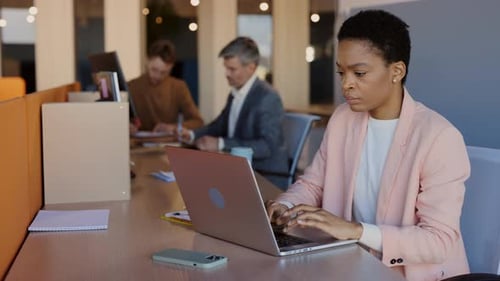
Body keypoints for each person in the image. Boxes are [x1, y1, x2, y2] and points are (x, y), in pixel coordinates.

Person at [266, 10, 470, 281]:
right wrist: (286, 205)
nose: (346, 84)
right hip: (348, 264)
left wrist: (356, 231)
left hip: (407, 273)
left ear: (397, 71)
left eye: (359, 73)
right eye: (341, 72)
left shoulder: (439, 137)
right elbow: (314, 184)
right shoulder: (343, 119)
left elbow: (439, 240)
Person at [179, 37, 289, 185]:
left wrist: (221, 144)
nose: (227, 74)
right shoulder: (235, 93)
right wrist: (192, 134)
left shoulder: (268, 97)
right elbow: (219, 125)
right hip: (240, 170)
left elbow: (266, 147)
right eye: (226, 68)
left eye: (232, 69)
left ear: (251, 67)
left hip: (264, 176)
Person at [128, 39, 204, 134]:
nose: (157, 76)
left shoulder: (179, 87)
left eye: (164, 72)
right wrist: (127, 126)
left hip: (167, 143)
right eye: (154, 70)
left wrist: (173, 127)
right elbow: (121, 120)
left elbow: (198, 122)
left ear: (171, 67)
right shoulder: (131, 86)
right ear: (147, 61)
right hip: (138, 144)